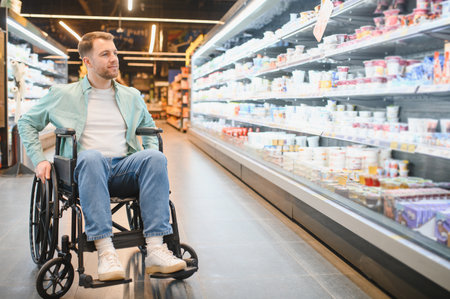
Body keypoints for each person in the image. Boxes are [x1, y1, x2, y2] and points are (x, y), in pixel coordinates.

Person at [18, 31, 186, 281]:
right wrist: (39, 159)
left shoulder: (131, 96)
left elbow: (150, 128)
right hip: (85, 170)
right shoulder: (62, 95)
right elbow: (26, 123)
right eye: (105, 54)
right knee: (92, 157)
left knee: (155, 158)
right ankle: (105, 251)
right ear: (87, 62)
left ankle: (156, 248)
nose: (114, 59)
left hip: (123, 168)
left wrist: (151, 150)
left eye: (115, 53)